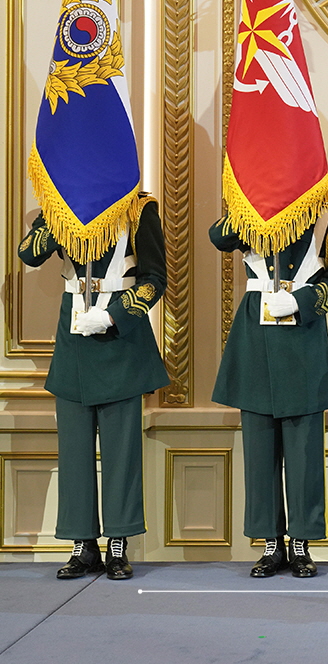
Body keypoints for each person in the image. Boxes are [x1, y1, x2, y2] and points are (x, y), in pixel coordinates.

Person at [19, 196, 169, 580]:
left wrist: (113, 315)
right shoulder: (57, 208)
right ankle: (82, 544)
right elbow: (29, 254)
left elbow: (155, 279)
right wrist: (60, 215)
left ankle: (117, 543)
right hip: (74, 339)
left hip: (120, 338)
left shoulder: (139, 209)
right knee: (74, 451)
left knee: (121, 452)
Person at [210, 200, 328, 578]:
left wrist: (302, 301)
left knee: (304, 447)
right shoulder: (249, 206)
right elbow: (218, 237)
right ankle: (270, 542)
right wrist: (252, 208)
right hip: (255, 334)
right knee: (258, 448)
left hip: (302, 332)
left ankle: (302, 542)